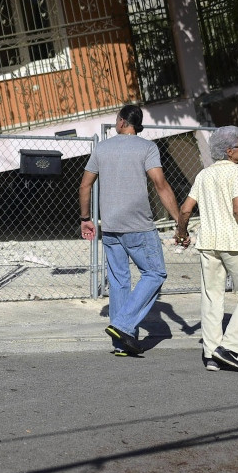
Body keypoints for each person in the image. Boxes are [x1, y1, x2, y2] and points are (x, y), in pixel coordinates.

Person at [80, 105, 182, 357]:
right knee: (155, 272)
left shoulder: (102, 148)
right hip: (138, 225)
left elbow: (85, 185)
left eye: (116, 119)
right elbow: (160, 184)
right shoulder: (147, 148)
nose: (116, 122)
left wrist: (85, 218)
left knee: (118, 281)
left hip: (112, 226)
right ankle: (123, 326)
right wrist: (179, 220)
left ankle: (121, 343)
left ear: (123, 121)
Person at [174, 126, 238, 373]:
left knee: (212, 297)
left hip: (208, 244)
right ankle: (231, 348)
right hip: (234, 243)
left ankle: (211, 355)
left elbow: (185, 210)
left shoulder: (204, 175)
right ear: (229, 151)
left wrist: (181, 234)